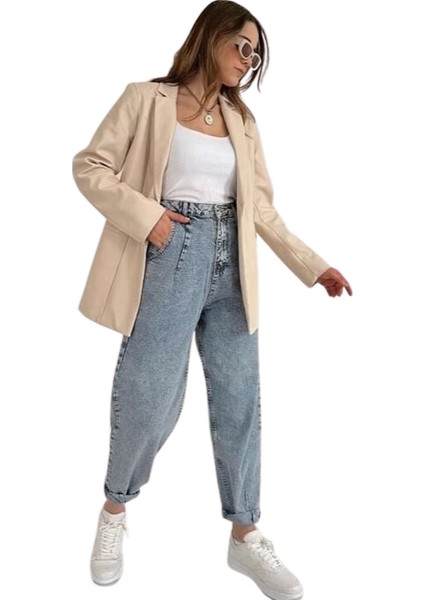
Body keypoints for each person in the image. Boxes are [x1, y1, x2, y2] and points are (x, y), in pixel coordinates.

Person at [72, 1, 352, 598]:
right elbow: (91, 166)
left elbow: (261, 209)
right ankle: (114, 511)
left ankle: (245, 534)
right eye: (242, 46)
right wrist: (148, 217)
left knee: (239, 401)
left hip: (233, 268)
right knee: (149, 394)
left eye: (256, 55)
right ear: (211, 36)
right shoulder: (145, 99)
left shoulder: (242, 122)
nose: (248, 61)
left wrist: (313, 266)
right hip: (169, 255)